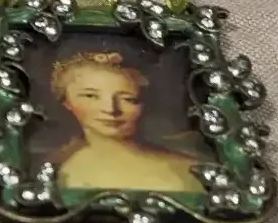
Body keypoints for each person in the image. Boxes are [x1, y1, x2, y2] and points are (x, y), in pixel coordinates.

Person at [48, 51, 202, 193]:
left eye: (128, 99)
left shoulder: (186, 171)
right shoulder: (64, 171)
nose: (110, 109)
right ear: (66, 101)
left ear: (145, 102)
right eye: (91, 96)